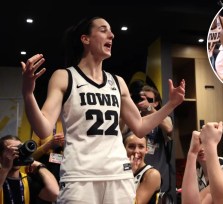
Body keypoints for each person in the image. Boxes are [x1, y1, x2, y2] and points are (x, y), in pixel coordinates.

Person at [21, 16, 185, 204]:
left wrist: (170, 105)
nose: (112, 35)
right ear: (85, 39)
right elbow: (43, 128)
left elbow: (139, 127)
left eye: (111, 31)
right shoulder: (64, 77)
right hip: (80, 176)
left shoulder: (118, 82)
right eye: (103, 30)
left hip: (118, 174)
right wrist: (28, 94)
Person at [130, 84, 175, 201]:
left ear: (156, 103)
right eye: (142, 99)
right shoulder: (133, 121)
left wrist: (149, 109)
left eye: (150, 100)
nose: (145, 102)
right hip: (136, 178)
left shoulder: (164, 119)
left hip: (159, 180)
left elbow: (169, 128)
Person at [0, 135, 59, 204]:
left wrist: (40, 166)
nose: (16, 154)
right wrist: (5, 168)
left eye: (19, 149)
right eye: (11, 151)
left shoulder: (27, 181)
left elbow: (54, 194)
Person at [123, 132, 161, 204]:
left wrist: (129, 175)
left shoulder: (152, 174)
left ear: (146, 150)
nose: (136, 151)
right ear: (124, 149)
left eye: (141, 147)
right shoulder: (119, 171)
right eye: (131, 146)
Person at [31, 117, 64, 183]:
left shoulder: (70, 124)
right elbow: (32, 156)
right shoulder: (40, 125)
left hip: (64, 167)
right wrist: (49, 144)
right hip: (44, 166)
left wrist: (65, 144)